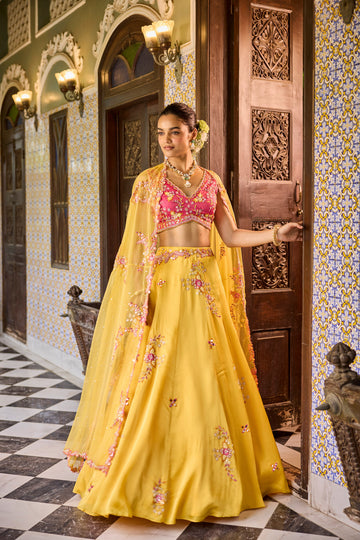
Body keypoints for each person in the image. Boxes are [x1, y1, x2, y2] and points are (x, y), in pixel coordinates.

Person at [64, 102, 302, 524]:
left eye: (174, 132)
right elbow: (134, 248)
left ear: (193, 134)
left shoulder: (211, 182)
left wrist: (274, 234)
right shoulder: (148, 182)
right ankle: (147, 478)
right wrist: (140, 299)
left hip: (205, 290)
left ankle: (212, 476)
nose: (165, 140)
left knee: (207, 375)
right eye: (160, 133)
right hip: (165, 289)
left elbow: (228, 236)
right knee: (161, 375)